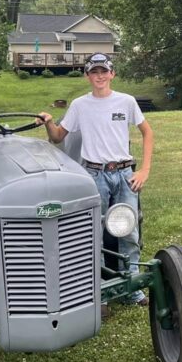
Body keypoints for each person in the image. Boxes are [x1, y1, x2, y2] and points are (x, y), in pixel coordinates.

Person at [35, 53, 154, 307]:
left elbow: (147, 132)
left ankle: (131, 288)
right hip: (93, 175)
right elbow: (58, 137)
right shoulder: (80, 105)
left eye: (104, 71)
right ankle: (98, 292)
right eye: (94, 72)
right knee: (92, 233)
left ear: (112, 74)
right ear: (87, 76)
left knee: (128, 231)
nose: (99, 76)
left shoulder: (126, 102)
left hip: (124, 175)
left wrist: (143, 170)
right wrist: (48, 122)